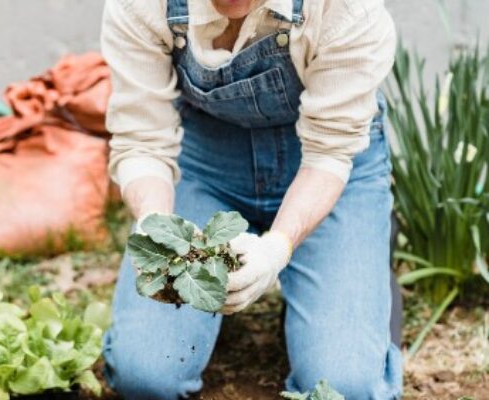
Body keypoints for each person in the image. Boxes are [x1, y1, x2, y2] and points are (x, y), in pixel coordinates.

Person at [100, 0, 401, 398]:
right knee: (147, 376)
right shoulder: (141, 5)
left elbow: (329, 154)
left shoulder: (346, 9)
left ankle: (355, 265)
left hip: (326, 170)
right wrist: (157, 225)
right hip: (206, 162)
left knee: (342, 386)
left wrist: (276, 250)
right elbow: (143, 141)